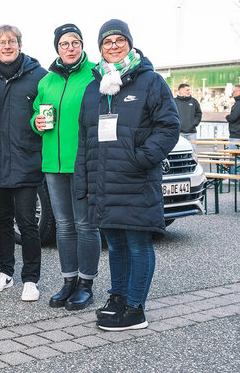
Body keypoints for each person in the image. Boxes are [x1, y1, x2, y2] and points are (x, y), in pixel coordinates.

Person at [75, 19, 179, 331]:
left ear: (129, 43)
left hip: (135, 179)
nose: (114, 46)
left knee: (137, 243)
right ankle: (118, 297)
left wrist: (141, 158)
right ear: (101, 48)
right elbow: (85, 138)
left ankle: (136, 308)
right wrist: (84, 181)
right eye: (107, 42)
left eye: (120, 40)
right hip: (104, 181)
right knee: (117, 244)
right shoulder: (94, 88)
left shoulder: (150, 81)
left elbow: (169, 126)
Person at [31, 24, 101, 310]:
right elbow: (37, 113)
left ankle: (86, 284)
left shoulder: (95, 74)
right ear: (57, 48)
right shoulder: (46, 81)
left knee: (86, 224)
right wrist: (35, 122)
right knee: (63, 226)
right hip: (53, 163)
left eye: (75, 43)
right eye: (64, 44)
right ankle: (68, 280)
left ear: (82, 46)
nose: (70, 48)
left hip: (83, 162)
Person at [0, 25, 47, 302]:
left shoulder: (39, 77)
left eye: (11, 41)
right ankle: (5, 272)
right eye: (1, 42)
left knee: (27, 223)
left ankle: (31, 279)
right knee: (2, 221)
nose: (6, 46)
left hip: (27, 161)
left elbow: (49, 113)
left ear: (20, 45)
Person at [174, 83, 202, 149]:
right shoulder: (174, 101)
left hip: (192, 133)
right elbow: (170, 115)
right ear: (181, 90)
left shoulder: (194, 101)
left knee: (193, 152)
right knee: (179, 152)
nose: (189, 92)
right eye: (187, 90)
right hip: (179, 133)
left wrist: (193, 124)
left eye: (189, 90)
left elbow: (199, 114)